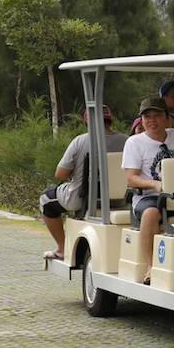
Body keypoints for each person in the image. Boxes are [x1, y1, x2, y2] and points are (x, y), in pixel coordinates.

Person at [40, 105, 127, 260]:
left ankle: (62, 248)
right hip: (122, 199)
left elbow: (60, 174)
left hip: (82, 198)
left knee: (46, 199)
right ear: (110, 121)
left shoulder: (80, 141)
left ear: (87, 122)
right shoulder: (127, 141)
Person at [121, 96, 174, 284]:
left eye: (156, 115)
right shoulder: (135, 143)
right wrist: (155, 185)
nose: (151, 121)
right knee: (152, 213)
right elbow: (131, 178)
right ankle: (151, 266)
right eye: (147, 117)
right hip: (148, 196)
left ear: (167, 118)